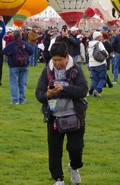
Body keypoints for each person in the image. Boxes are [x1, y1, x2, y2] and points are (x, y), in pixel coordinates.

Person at [35, 42, 88, 185]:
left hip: (74, 115)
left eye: (60, 60)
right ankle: (58, 178)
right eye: (54, 60)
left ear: (67, 57)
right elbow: (38, 94)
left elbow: (83, 90)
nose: (57, 63)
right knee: (54, 150)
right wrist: (48, 94)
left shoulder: (76, 70)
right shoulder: (47, 71)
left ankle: (74, 167)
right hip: (54, 116)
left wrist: (64, 89)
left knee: (75, 148)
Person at [3, 30, 33, 104]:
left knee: (14, 83)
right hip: (24, 65)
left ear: (14, 36)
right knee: (23, 83)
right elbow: (31, 51)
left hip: (14, 65)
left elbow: (4, 51)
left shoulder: (11, 44)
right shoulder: (25, 44)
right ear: (21, 36)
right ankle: (22, 99)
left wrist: (11, 54)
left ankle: (15, 100)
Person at [87, 31, 108, 98]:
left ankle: (95, 94)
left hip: (92, 64)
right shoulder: (99, 43)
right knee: (103, 78)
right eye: (101, 36)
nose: (102, 37)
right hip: (100, 63)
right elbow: (104, 52)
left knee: (95, 79)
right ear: (98, 37)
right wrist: (106, 56)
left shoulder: (89, 44)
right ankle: (98, 90)